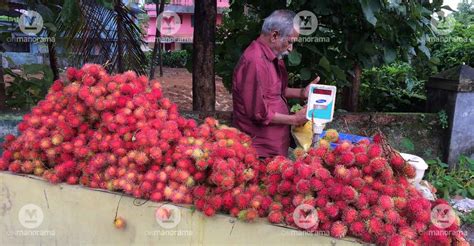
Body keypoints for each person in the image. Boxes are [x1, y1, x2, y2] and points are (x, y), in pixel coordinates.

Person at [232, 10, 320, 158]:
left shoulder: (272, 57)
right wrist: (294, 119)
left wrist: (301, 93)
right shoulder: (255, 62)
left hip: (275, 146)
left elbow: (275, 91)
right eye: (290, 42)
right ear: (274, 36)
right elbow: (258, 113)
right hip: (260, 150)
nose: (291, 48)